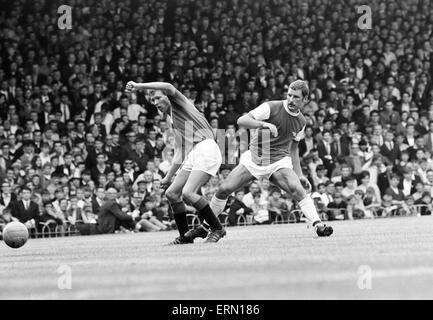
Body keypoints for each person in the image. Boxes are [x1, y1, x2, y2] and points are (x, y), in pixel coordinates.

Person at [188, 80, 333, 239]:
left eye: (296, 97)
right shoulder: (271, 107)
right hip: (255, 158)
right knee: (224, 189)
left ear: (305, 100)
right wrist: (263, 124)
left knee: (297, 189)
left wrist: (299, 174)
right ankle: (206, 227)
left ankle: (318, 225)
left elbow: (293, 149)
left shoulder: (301, 122)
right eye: (289, 95)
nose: (291, 100)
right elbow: (241, 121)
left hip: (278, 161)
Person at [125, 81, 225, 244]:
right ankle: (185, 237)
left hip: (206, 147)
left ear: (166, 96)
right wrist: (168, 176)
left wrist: (139, 86)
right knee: (171, 193)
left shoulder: (180, 102)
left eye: (157, 98)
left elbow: (169, 86)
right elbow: (181, 151)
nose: (155, 103)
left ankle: (217, 228)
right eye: (153, 101)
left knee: (188, 193)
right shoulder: (175, 120)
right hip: (194, 152)